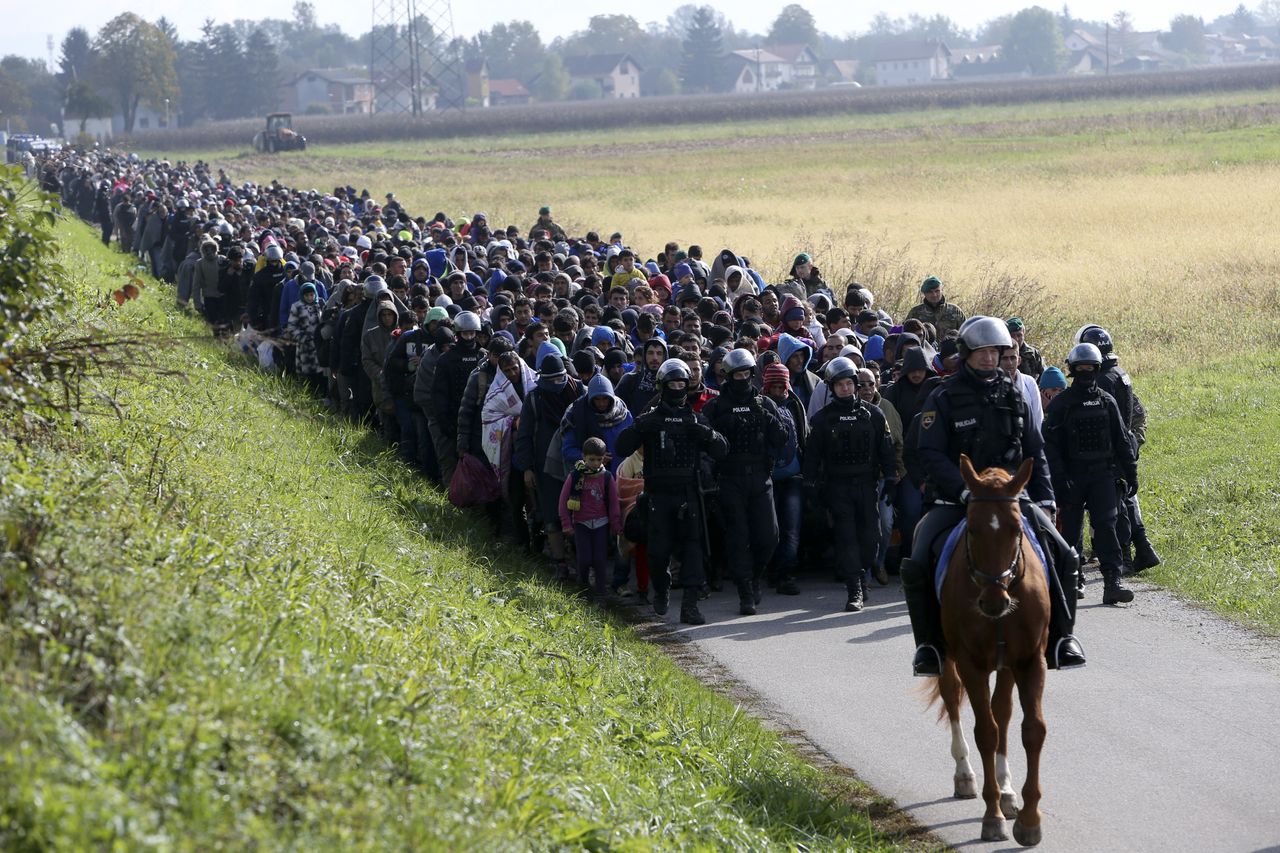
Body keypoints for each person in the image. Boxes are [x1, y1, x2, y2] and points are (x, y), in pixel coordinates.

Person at [902, 316, 1086, 676]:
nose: (989, 359)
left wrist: (1045, 497)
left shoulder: (1014, 393)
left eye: (995, 352)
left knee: (1065, 554)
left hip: (1011, 499)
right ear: (967, 353)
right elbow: (931, 453)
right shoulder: (942, 396)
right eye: (982, 352)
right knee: (918, 559)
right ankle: (929, 647)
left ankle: (1062, 640)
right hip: (957, 501)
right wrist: (963, 488)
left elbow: (1035, 447)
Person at [615, 359, 728, 625]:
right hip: (657, 495)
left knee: (692, 550)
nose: (677, 388)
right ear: (662, 386)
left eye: (681, 383)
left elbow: (722, 449)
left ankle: (690, 605)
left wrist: (705, 434)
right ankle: (662, 588)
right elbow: (621, 446)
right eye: (672, 384)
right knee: (658, 552)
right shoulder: (650, 418)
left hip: (689, 495)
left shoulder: (695, 418)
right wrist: (640, 428)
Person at [1042, 343, 1138, 606]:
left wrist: (1130, 473)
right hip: (1072, 477)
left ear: (1096, 370)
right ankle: (1072, 582)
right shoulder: (1060, 405)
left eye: (1090, 368)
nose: (1085, 373)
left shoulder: (1107, 402)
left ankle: (1113, 583)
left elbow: (1121, 439)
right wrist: (1060, 479)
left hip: (1102, 476)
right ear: (1072, 370)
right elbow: (1050, 447)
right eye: (1080, 368)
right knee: (1070, 533)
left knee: (1107, 528)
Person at [804, 358, 897, 612]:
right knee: (846, 538)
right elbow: (812, 456)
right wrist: (810, 485)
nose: (845, 389)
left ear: (856, 385)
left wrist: (890, 478)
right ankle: (854, 588)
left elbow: (886, 449)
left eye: (849, 383)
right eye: (840, 385)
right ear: (831, 387)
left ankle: (864, 570)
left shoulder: (874, 415)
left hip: (867, 485)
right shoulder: (822, 420)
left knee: (872, 538)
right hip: (838, 486)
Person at [702, 349, 789, 615]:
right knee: (738, 537)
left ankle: (755, 576)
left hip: (761, 476)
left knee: (769, 535)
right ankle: (745, 592)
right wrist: (722, 430)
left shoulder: (764, 403)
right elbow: (706, 446)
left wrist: (767, 417)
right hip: (729, 478)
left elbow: (782, 438)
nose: (742, 379)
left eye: (746, 374)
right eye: (737, 374)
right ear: (728, 376)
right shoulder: (715, 407)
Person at [559, 437, 622, 606]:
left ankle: (601, 593)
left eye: (599, 460)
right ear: (583, 457)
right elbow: (563, 501)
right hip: (581, 523)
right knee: (585, 559)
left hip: (601, 523)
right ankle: (584, 587)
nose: (595, 463)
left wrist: (616, 525)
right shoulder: (575, 476)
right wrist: (566, 524)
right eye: (591, 460)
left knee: (600, 560)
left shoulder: (607, 477)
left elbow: (614, 502)